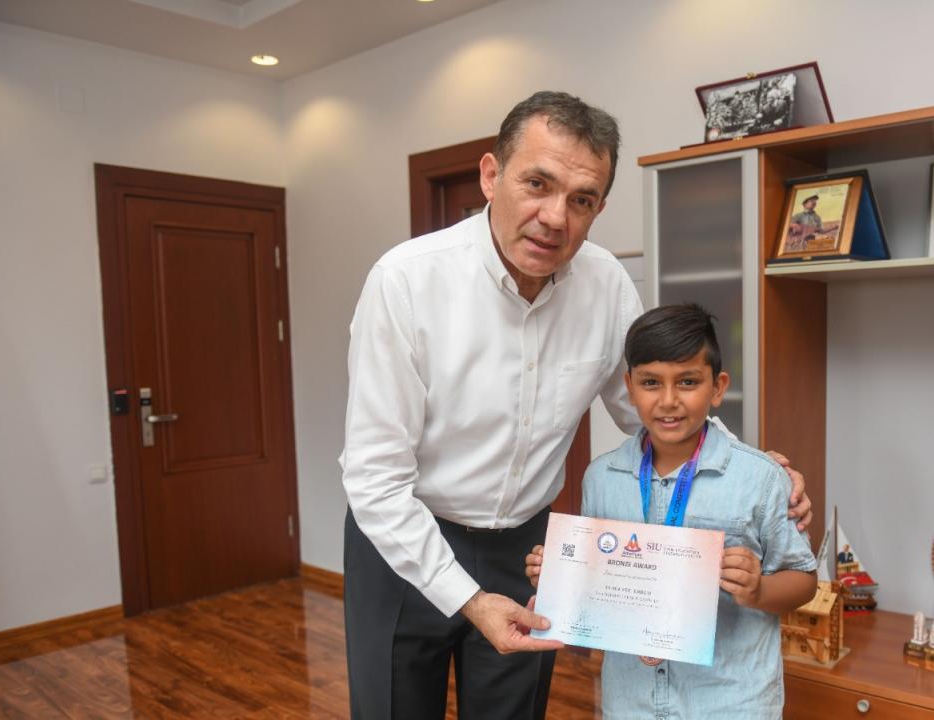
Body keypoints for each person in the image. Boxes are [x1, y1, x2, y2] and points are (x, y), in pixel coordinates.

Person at [340, 91, 813, 720]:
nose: (555, 218)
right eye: (537, 184)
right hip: (403, 543)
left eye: (582, 200)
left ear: (598, 210)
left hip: (526, 550)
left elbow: (652, 409)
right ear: (491, 176)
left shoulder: (606, 283)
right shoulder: (405, 281)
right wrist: (469, 599)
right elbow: (374, 479)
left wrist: (752, 467)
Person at [525, 303, 818, 718]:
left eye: (687, 382)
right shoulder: (601, 478)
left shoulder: (762, 478)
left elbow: (804, 580)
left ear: (717, 387)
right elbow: (592, 589)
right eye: (650, 382)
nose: (668, 401)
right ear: (629, 387)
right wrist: (558, 578)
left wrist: (758, 591)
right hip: (631, 703)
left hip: (729, 702)